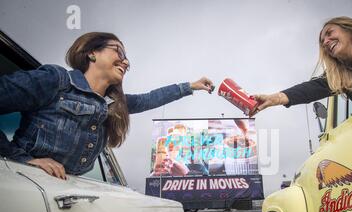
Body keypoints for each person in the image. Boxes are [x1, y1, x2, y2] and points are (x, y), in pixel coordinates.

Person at [0, 32, 214, 179]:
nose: (126, 62)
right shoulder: (56, 81)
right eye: (119, 52)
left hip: (66, 191)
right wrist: (24, 160)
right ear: (92, 52)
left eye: (127, 59)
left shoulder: (115, 104)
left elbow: (150, 98)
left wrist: (191, 86)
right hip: (22, 181)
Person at [249, 17, 352, 116]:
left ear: (349, 29)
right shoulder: (342, 76)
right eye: (322, 42)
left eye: (329, 33)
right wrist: (274, 99)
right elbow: (310, 89)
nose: (326, 41)